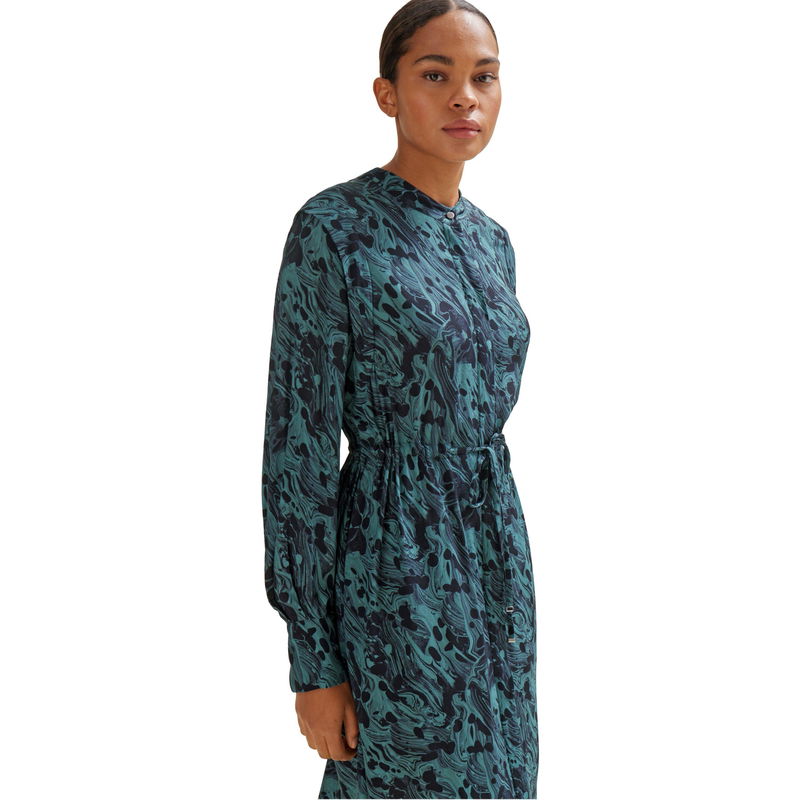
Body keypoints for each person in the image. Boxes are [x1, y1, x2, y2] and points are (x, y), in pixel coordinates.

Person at [262, 0, 538, 796]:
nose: (464, 98)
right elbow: (298, 450)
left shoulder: (491, 241)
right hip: (393, 563)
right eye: (435, 75)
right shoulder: (334, 229)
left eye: (484, 77)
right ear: (387, 93)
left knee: (503, 773)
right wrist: (314, 660)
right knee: (403, 774)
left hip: (495, 555)